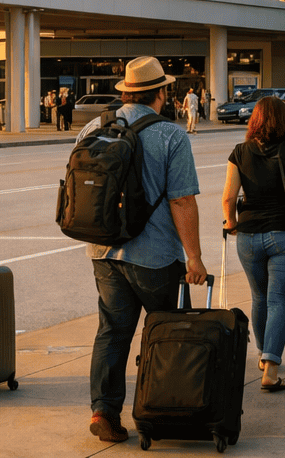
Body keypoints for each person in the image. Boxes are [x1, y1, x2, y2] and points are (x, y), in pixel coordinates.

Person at [86, 56, 207, 443]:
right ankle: (162, 408)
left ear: (125, 91)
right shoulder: (170, 135)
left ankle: (103, 411)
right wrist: (194, 257)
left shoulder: (93, 127)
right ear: (161, 93)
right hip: (154, 256)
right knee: (165, 332)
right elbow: (183, 202)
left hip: (103, 251)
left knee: (112, 331)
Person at [222, 97, 285, 392]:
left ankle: (262, 354)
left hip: (248, 237)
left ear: (254, 119)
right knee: (279, 300)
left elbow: (229, 197)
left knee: (259, 297)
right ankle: (270, 368)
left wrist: (230, 223)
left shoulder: (239, 152)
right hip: (284, 236)